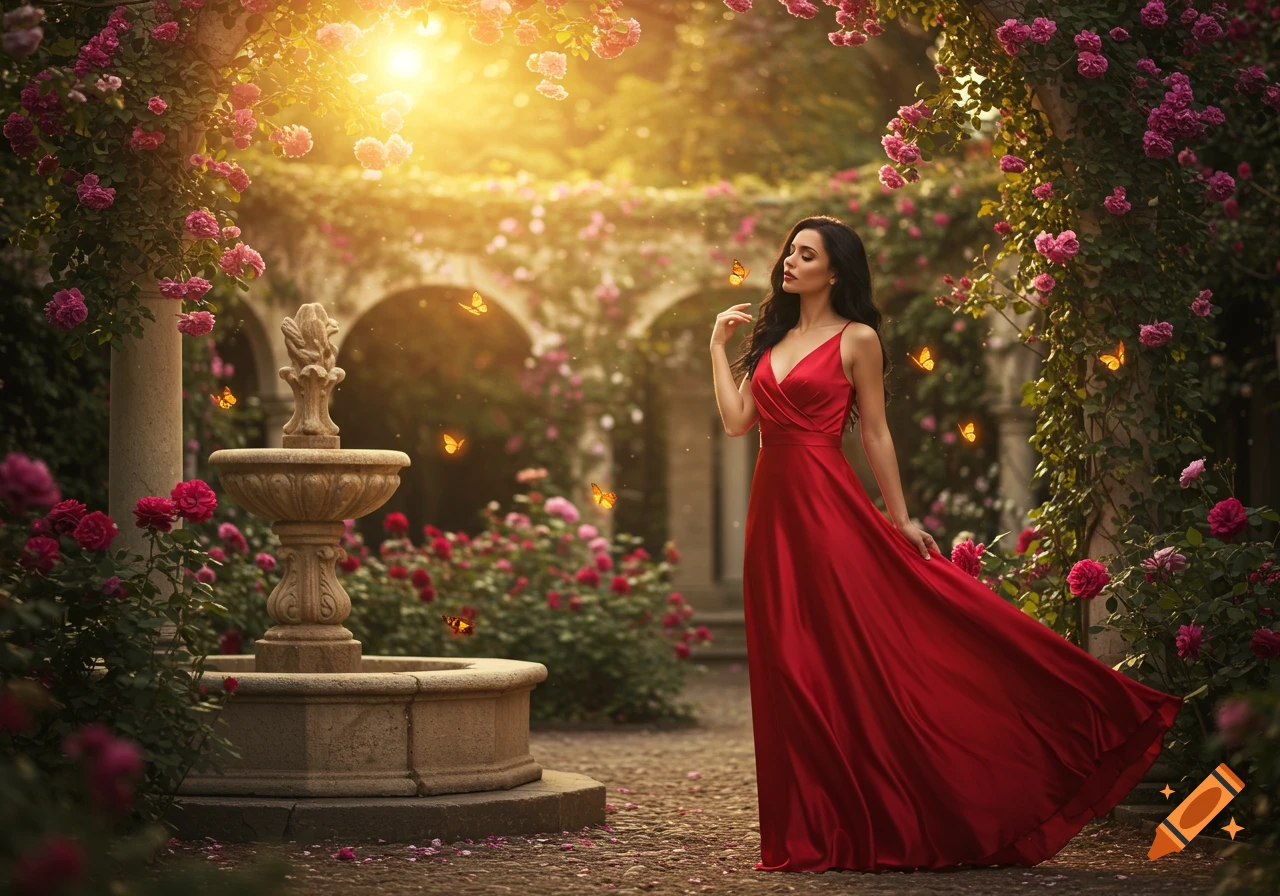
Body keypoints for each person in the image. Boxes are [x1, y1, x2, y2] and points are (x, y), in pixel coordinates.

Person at [708, 215, 1183, 874]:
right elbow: (738, 422)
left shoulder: (858, 338)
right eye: (790, 251)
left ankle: (925, 798)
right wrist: (716, 345)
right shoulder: (772, 340)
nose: (790, 260)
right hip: (773, 520)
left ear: (836, 271)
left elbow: (875, 433)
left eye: (806, 254)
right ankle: (812, 828)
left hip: (827, 511)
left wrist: (900, 518)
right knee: (788, 665)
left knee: (858, 654)